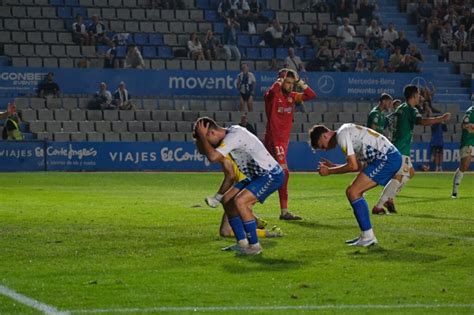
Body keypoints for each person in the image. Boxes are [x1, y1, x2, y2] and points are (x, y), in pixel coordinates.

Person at [194, 117, 285, 255]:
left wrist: (202, 136)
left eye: (205, 139)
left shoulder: (234, 136)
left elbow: (213, 157)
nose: (206, 144)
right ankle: (242, 244)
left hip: (271, 174)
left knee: (240, 201)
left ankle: (254, 247)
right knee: (227, 200)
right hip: (257, 176)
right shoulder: (231, 133)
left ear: (211, 133)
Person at [309, 123, 404, 247]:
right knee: (353, 192)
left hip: (386, 159)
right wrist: (333, 166)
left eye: (322, 146)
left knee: (353, 192)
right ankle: (366, 235)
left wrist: (329, 171)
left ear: (324, 135)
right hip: (386, 157)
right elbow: (357, 166)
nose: (325, 149)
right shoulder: (345, 132)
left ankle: (368, 236)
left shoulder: (341, 136)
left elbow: (353, 166)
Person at [372, 85, 451, 215]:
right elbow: (421, 122)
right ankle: (379, 205)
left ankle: (390, 198)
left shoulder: (401, 108)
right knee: (398, 176)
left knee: (411, 172)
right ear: (414, 96)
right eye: (419, 94)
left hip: (398, 145)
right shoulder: (410, 109)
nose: (420, 97)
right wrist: (440, 119)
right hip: (401, 147)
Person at [264, 68, 316, 220]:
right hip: (274, 140)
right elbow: (272, 91)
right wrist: (280, 79)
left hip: (283, 141)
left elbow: (311, 95)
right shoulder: (272, 96)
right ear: (281, 82)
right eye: (288, 82)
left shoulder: (293, 97)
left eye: (292, 83)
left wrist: (300, 81)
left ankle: (283, 211)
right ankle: (283, 211)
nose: (291, 86)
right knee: (284, 174)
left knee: (274, 175)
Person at [451, 106, 474, 198]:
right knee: (464, 166)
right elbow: (464, 125)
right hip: (468, 141)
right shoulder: (471, 111)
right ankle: (454, 192)